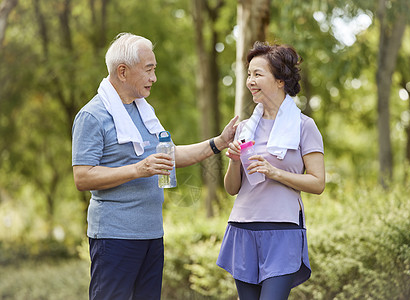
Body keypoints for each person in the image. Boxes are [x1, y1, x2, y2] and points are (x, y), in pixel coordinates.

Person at [71, 32, 238, 300]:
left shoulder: (143, 111)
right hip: (114, 238)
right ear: (123, 72)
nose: (154, 78)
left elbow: (169, 156)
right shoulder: (92, 115)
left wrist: (218, 142)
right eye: (149, 70)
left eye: (155, 69)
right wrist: (139, 169)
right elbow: (82, 177)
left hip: (151, 235)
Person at [216, 41, 325, 300]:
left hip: (283, 230)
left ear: (280, 81)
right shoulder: (244, 129)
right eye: (249, 74)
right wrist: (233, 161)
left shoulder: (304, 126)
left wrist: (274, 172)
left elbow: (318, 183)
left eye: (258, 74)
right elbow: (232, 189)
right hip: (243, 228)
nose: (250, 81)